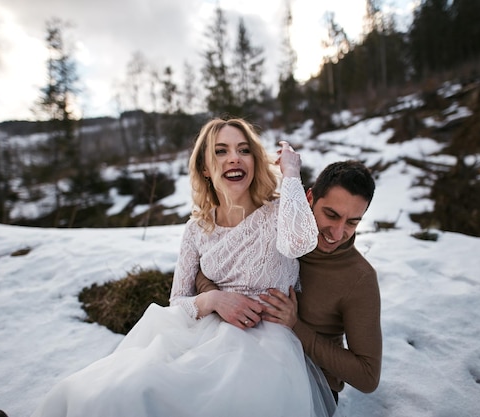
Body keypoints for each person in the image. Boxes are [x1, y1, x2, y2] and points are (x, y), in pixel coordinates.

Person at [29, 117, 337, 417]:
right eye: (221, 151)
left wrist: (292, 174)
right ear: (205, 167)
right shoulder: (196, 229)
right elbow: (178, 301)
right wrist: (214, 300)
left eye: (244, 150)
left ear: (255, 161)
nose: (234, 158)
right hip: (207, 335)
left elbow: (300, 243)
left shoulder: (280, 210)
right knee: (130, 387)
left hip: (266, 345)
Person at [196, 159, 382, 402]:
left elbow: (368, 377)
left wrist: (295, 327)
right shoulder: (273, 228)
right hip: (237, 357)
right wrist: (219, 298)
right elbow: (204, 269)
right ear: (309, 198)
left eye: (352, 222)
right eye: (331, 214)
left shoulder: (359, 278)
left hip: (309, 389)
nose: (337, 233)